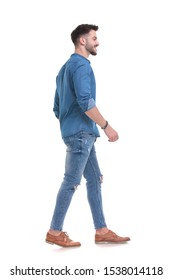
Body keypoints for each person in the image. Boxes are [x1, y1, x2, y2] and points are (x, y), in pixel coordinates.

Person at [46, 24, 130, 247]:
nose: (97, 41)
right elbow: (85, 101)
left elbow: (57, 107)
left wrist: (69, 123)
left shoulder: (64, 69)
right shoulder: (81, 66)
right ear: (82, 41)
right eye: (94, 38)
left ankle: (101, 230)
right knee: (71, 181)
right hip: (82, 133)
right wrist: (106, 126)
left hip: (78, 132)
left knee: (94, 179)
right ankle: (54, 231)